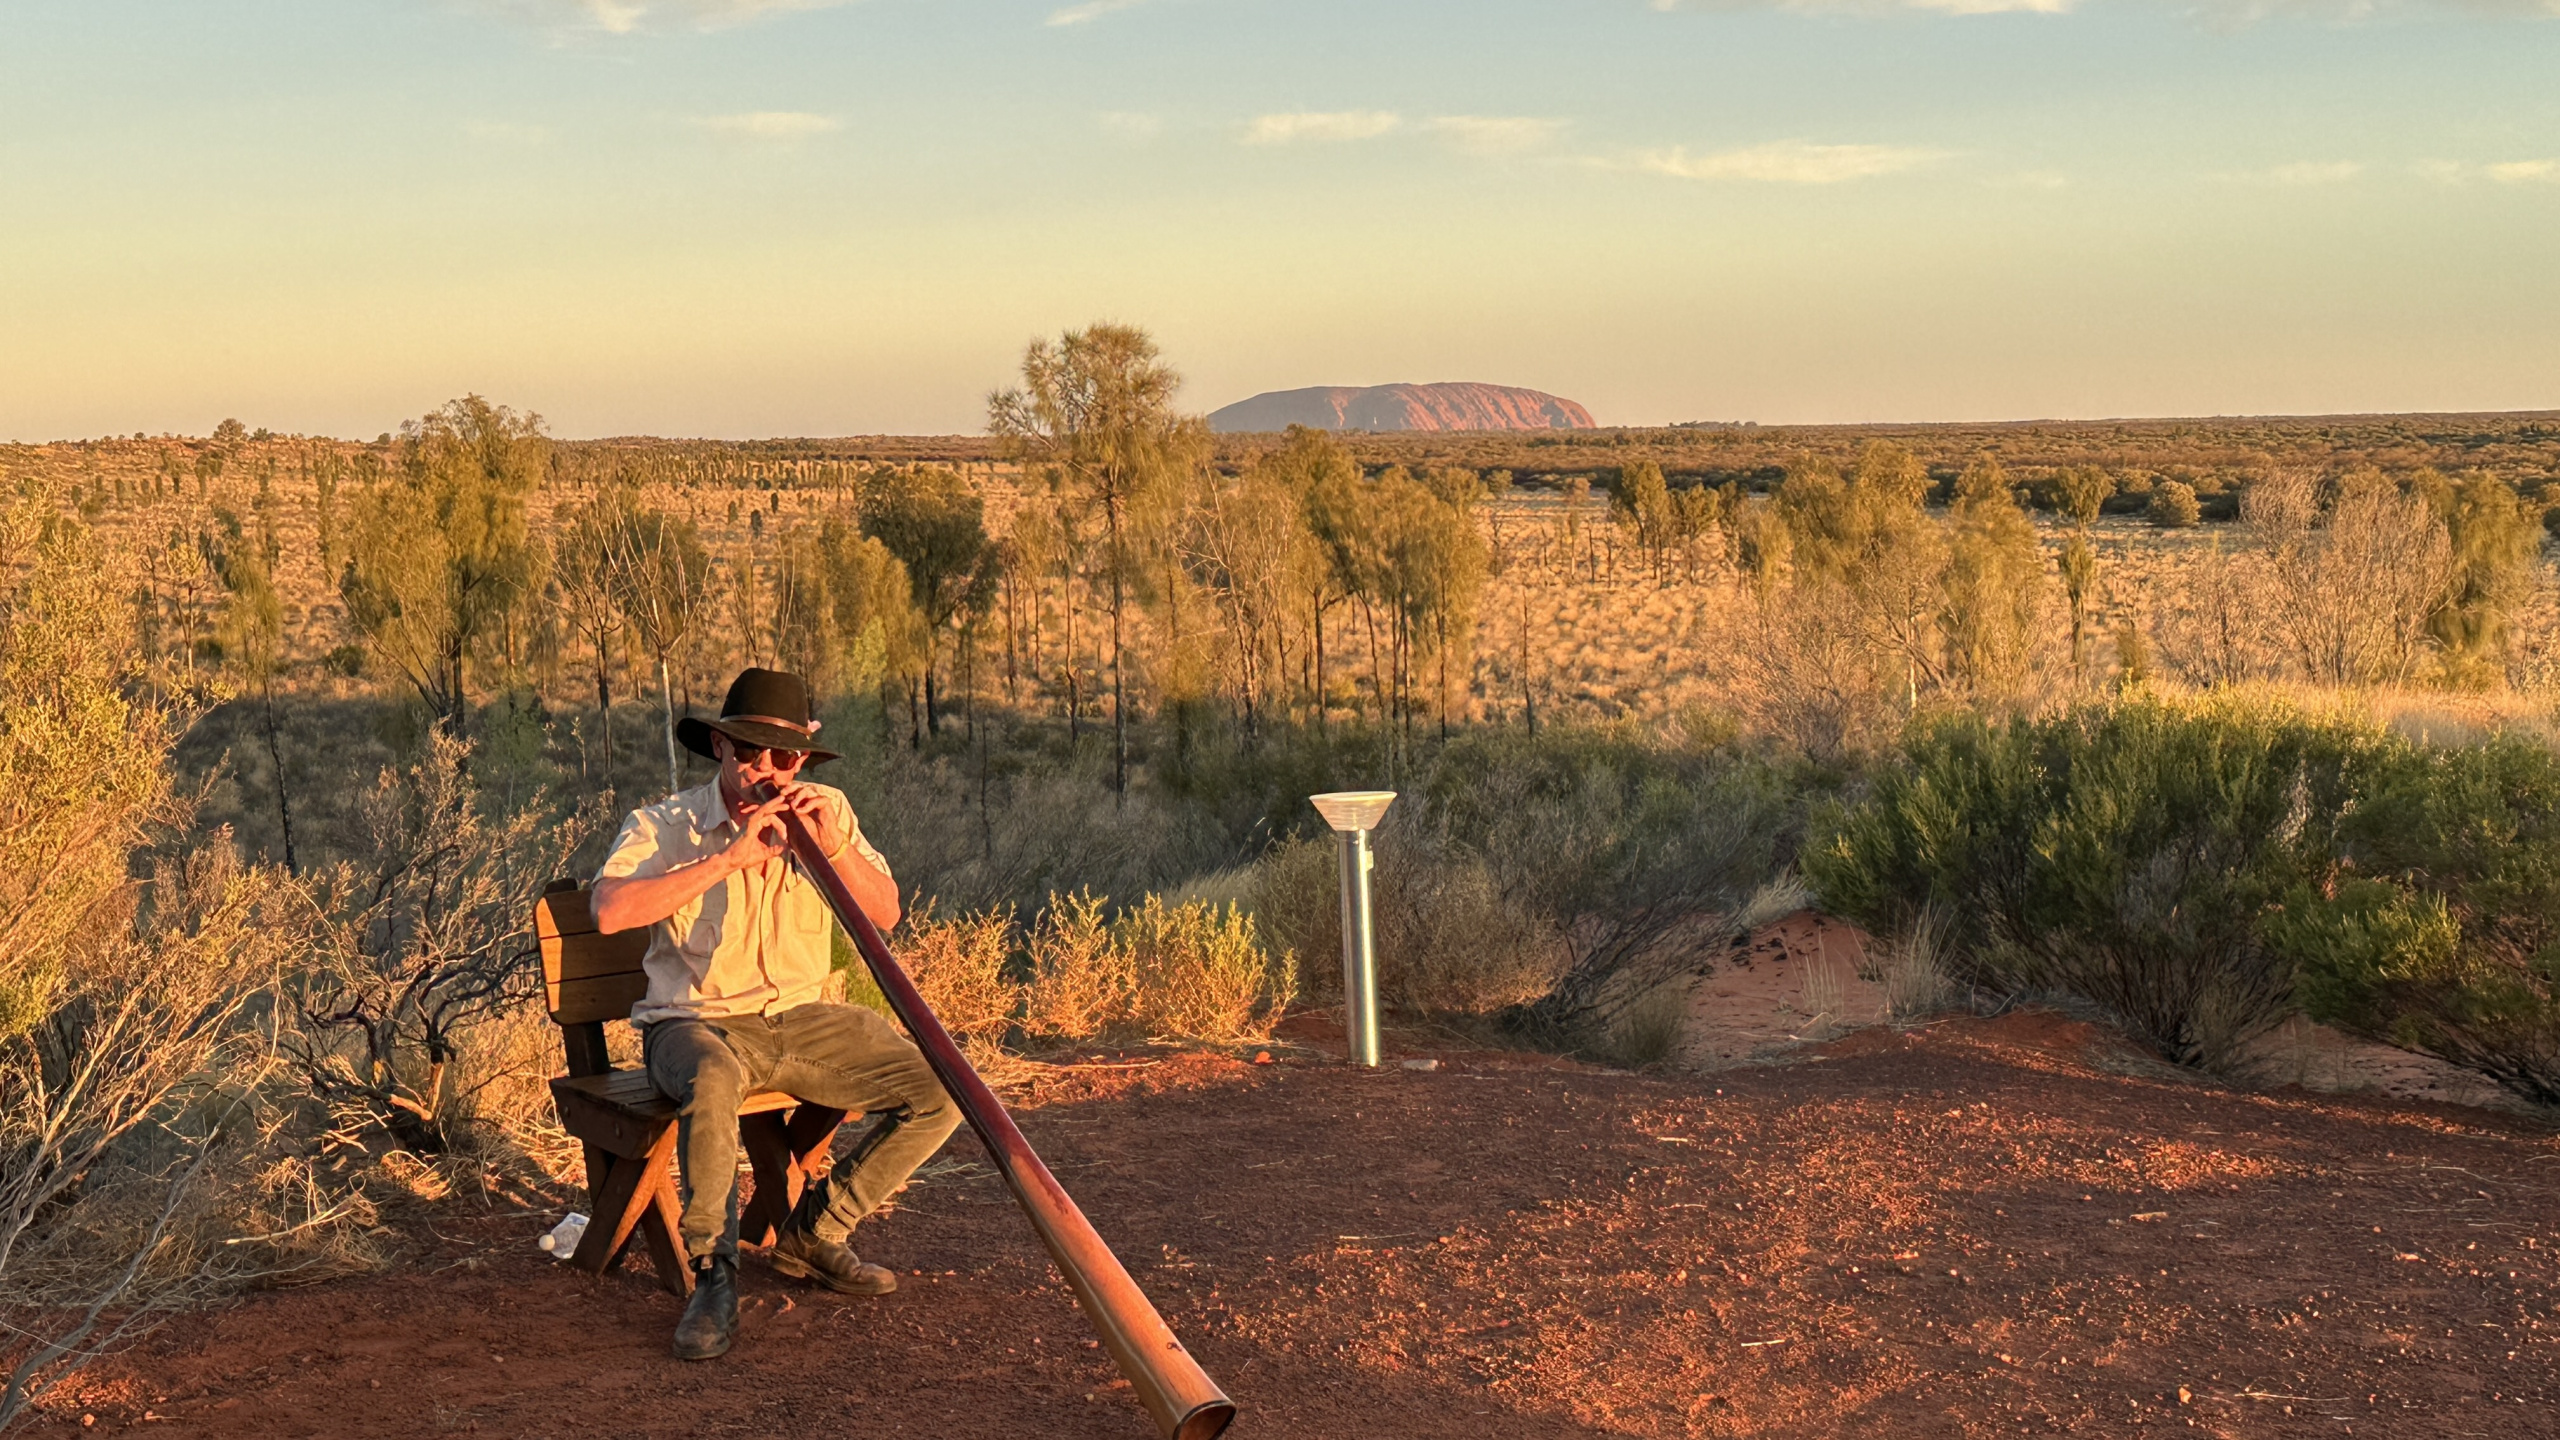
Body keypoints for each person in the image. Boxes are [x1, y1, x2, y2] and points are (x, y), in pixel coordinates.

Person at [589, 667, 960, 1361]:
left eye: (782, 756)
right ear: (721, 749)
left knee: (942, 1086)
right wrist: (728, 860)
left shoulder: (827, 811)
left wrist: (836, 848)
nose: (766, 769)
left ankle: (816, 1232)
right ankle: (714, 1273)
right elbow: (609, 912)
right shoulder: (665, 825)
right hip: (693, 1022)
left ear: (800, 760)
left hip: (800, 1017)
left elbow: (885, 912)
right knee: (712, 1079)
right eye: (749, 751)